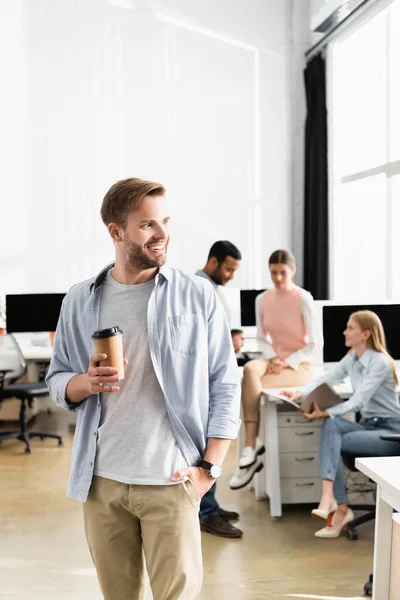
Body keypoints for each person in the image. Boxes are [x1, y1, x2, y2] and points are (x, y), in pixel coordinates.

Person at [46, 177, 240, 600]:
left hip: (172, 479)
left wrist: (210, 469)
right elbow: (57, 379)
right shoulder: (80, 299)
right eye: (148, 225)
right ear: (116, 232)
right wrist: (84, 382)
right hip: (102, 483)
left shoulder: (196, 296)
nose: (163, 233)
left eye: (165, 221)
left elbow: (225, 383)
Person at [282, 310, 400, 538]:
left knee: (331, 429)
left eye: (350, 327)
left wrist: (324, 411)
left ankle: (337, 506)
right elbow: (325, 379)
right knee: (332, 426)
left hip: (390, 432)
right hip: (368, 426)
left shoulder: (380, 362)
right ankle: (332, 500)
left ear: (365, 334)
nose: (344, 331)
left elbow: (358, 401)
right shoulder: (353, 358)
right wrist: (300, 393)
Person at [230, 249, 322, 490]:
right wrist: (273, 358)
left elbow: (315, 342)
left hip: (299, 364)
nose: (278, 278)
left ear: (293, 271)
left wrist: (288, 361)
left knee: (248, 386)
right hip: (272, 360)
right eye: (273, 273)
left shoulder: (304, 298)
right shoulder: (262, 299)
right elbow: (260, 338)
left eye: (283, 273)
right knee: (250, 370)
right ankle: (252, 445)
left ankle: (250, 450)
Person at [196, 241, 243, 538]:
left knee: (213, 446)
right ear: (213, 261)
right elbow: (203, 335)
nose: (230, 275)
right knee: (206, 447)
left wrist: (232, 336)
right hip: (204, 382)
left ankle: (210, 505)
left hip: (210, 378)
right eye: (228, 268)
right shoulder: (198, 289)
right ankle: (206, 512)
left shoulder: (209, 288)